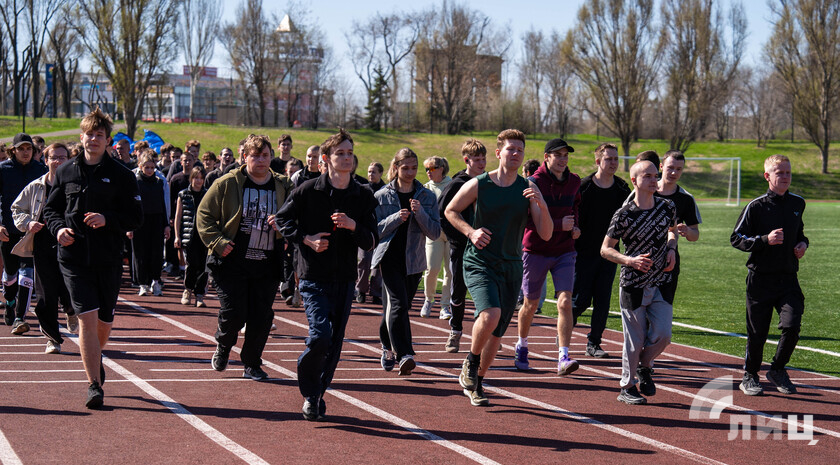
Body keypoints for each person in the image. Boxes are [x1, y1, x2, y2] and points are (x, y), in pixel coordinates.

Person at [43, 107, 144, 409]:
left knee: (104, 322)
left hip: (108, 257)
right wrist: (58, 229)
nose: (93, 139)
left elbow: (136, 217)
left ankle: (95, 358)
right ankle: (93, 384)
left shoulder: (122, 175)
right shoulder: (65, 171)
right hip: (73, 258)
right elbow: (50, 210)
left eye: (99, 135)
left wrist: (107, 219)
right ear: (81, 137)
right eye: (89, 134)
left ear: (107, 140)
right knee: (86, 319)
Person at [276, 128, 378, 421]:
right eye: (340, 154)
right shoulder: (309, 190)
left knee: (334, 342)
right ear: (326, 159)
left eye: (349, 153)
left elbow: (372, 239)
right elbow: (282, 220)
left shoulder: (363, 195)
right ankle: (309, 386)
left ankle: (316, 394)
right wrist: (306, 239)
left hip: (344, 278)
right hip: (312, 276)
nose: (346, 158)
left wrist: (352, 226)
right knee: (321, 334)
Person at [446, 129, 552, 406]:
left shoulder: (528, 188)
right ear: (498, 153)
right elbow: (451, 211)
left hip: (512, 266)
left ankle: (477, 381)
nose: (515, 154)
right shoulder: (481, 183)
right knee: (490, 314)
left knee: (497, 332)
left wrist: (540, 203)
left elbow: (546, 233)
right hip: (480, 261)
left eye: (520, 150)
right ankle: (470, 362)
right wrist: (471, 232)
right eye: (510, 149)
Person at [197, 134, 291, 382]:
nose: (261, 160)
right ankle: (224, 346)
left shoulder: (283, 185)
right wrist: (218, 242)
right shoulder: (227, 183)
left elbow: (295, 218)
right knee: (235, 312)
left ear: (271, 157)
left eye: (265, 155)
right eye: (255, 155)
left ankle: (251, 363)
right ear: (244, 157)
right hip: (231, 261)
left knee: (262, 316)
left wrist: (283, 227)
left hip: (267, 263)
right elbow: (204, 216)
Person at [600, 160, 677, 405]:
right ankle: (627, 386)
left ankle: (645, 365)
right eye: (648, 176)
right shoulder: (623, 215)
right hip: (633, 283)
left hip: (662, 280)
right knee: (634, 341)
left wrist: (672, 248)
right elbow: (605, 249)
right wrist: (629, 260)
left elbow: (672, 230)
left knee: (664, 335)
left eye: (656, 175)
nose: (655, 180)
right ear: (635, 181)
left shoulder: (667, 206)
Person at [731, 154, 807, 396]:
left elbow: (801, 234)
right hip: (760, 279)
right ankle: (750, 375)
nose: (784, 177)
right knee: (758, 332)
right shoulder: (756, 206)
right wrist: (765, 240)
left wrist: (803, 245)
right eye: (779, 173)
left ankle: (777, 369)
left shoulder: (798, 203)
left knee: (792, 325)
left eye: (788, 172)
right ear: (767, 176)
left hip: (788, 278)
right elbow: (737, 238)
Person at [514, 138, 581, 375]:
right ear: (547, 157)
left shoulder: (574, 182)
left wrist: (575, 227)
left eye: (566, 155)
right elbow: (527, 220)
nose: (563, 160)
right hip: (536, 250)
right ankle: (522, 344)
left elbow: (575, 208)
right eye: (558, 155)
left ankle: (563, 356)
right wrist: (558, 224)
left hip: (565, 250)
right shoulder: (533, 182)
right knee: (530, 304)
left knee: (565, 302)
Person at [372, 148, 440, 375]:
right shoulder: (382, 196)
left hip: (414, 260)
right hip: (389, 258)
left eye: (414, 168)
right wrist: (395, 218)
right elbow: (374, 231)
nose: (410, 172)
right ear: (396, 168)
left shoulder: (426, 197)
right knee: (399, 305)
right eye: (405, 168)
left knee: (396, 308)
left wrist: (420, 213)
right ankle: (405, 354)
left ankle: (385, 345)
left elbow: (434, 232)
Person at [11, 142, 75, 353]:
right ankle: (52, 338)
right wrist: (28, 223)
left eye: (62, 157)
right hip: (42, 243)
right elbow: (17, 208)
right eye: (53, 157)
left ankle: (71, 310)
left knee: (70, 286)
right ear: (45, 160)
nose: (57, 161)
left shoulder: (76, 185)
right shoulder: (36, 186)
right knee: (46, 294)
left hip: (71, 243)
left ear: (69, 160)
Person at [572, 143, 631, 358]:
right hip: (584, 253)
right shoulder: (584, 187)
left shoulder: (623, 189)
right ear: (598, 161)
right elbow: (573, 215)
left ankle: (594, 343)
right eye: (608, 159)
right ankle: (565, 334)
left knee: (602, 300)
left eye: (616, 159)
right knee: (580, 300)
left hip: (610, 254)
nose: (613, 163)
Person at [438, 139, 487, 353]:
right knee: (458, 290)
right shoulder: (458, 184)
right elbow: (443, 213)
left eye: (484, 159)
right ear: (467, 160)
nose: (482, 163)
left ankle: (485, 334)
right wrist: (457, 238)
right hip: (461, 246)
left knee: (485, 292)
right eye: (477, 159)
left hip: (484, 246)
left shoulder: (488, 182)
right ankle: (455, 331)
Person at [0, 133, 47, 333]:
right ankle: (10, 300)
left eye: (29, 148)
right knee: (11, 275)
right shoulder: (3, 170)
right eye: (21, 149)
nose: (25, 152)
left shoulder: (41, 170)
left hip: (31, 231)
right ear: (13, 150)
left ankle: (20, 317)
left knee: (27, 273)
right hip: (8, 230)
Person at [655, 150, 701, 306]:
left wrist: (688, 231)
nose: (674, 172)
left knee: (663, 309)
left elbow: (695, 234)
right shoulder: (645, 191)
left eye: (679, 169)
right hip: (641, 259)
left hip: (670, 259)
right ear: (661, 166)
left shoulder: (686, 198)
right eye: (670, 167)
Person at [130, 152, 169, 296]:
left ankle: (156, 281)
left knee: (156, 253)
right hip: (140, 222)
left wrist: (166, 224)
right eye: (146, 167)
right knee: (140, 254)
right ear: (140, 166)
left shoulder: (159, 182)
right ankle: (142, 284)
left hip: (157, 220)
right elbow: (131, 205)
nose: (149, 170)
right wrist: (130, 225)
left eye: (152, 167)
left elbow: (163, 205)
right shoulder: (135, 182)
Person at [420, 156, 453, 319]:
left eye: (432, 168)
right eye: (427, 169)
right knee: (432, 268)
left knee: (450, 271)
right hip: (433, 234)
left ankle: (445, 306)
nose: (428, 172)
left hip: (452, 234)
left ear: (441, 168)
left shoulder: (452, 184)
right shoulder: (425, 188)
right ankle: (428, 299)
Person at [175, 167, 208, 307]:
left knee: (203, 267)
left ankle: (199, 295)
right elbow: (178, 216)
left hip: (204, 236)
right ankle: (187, 290)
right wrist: (177, 236)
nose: (198, 181)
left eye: (201, 178)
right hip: (189, 235)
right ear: (191, 178)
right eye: (196, 177)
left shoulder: (208, 194)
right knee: (192, 265)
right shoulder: (183, 195)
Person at [355, 162, 385, 305]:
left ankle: (376, 292)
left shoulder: (385, 190)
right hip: (365, 230)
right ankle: (361, 290)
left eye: (373, 172)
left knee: (378, 263)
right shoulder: (363, 189)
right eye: (369, 171)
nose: (370, 174)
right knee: (364, 260)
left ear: (380, 173)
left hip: (381, 230)